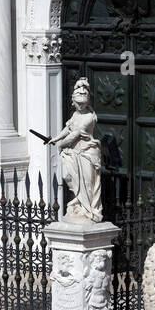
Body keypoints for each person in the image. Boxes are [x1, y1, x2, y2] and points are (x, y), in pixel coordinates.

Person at [51, 78, 103, 222]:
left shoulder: (89, 117)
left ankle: (88, 210)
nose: (80, 106)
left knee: (87, 183)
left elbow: (75, 134)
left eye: (83, 104)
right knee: (69, 176)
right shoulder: (76, 115)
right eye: (78, 104)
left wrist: (60, 145)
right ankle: (79, 203)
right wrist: (55, 138)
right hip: (75, 153)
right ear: (73, 102)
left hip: (87, 154)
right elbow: (68, 128)